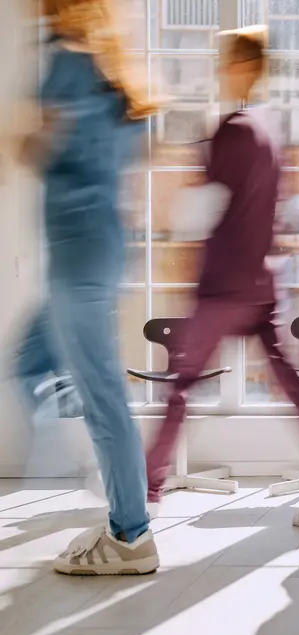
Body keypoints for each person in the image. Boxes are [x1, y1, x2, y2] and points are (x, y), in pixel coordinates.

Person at [143, 27, 299, 528]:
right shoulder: (270, 127)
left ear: (244, 67)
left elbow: (203, 209)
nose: (219, 68)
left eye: (226, 60)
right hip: (260, 280)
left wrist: (178, 236)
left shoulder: (233, 129)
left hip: (224, 283)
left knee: (180, 385)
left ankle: (144, 490)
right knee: (292, 387)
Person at [13, 0, 159, 575]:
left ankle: (131, 534)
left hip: (77, 257)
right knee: (28, 360)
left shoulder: (67, 67)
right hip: (97, 248)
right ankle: (94, 477)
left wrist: (28, 137)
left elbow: (35, 151)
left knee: (102, 396)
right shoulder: (113, 75)